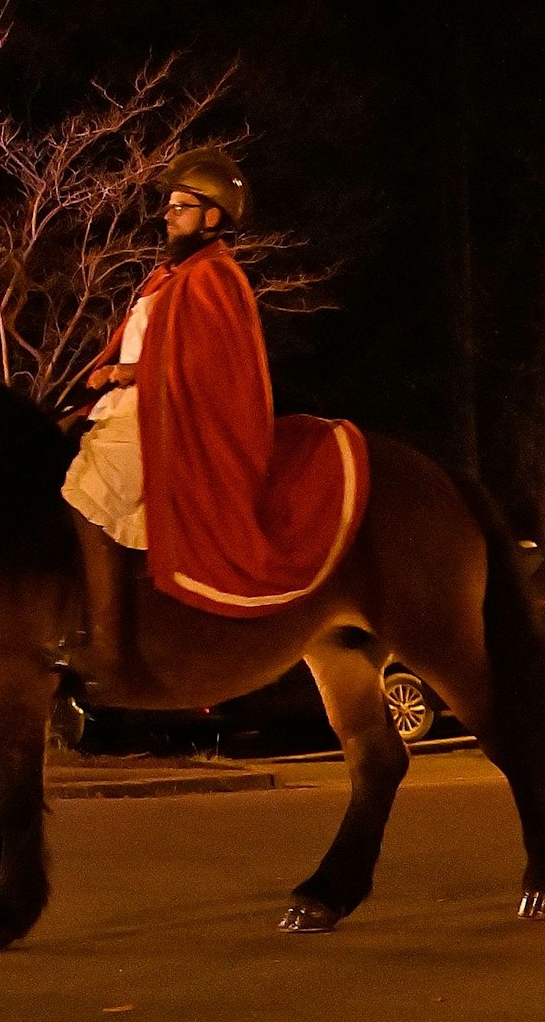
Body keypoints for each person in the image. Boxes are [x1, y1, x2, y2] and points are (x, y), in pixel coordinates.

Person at [58, 148, 366, 676]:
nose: (167, 214)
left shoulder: (214, 279)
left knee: (83, 499)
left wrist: (125, 374)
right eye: (169, 205)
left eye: (181, 205)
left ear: (212, 217)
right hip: (130, 409)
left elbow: (207, 369)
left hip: (166, 418)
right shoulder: (168, 279)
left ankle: (107, 647)